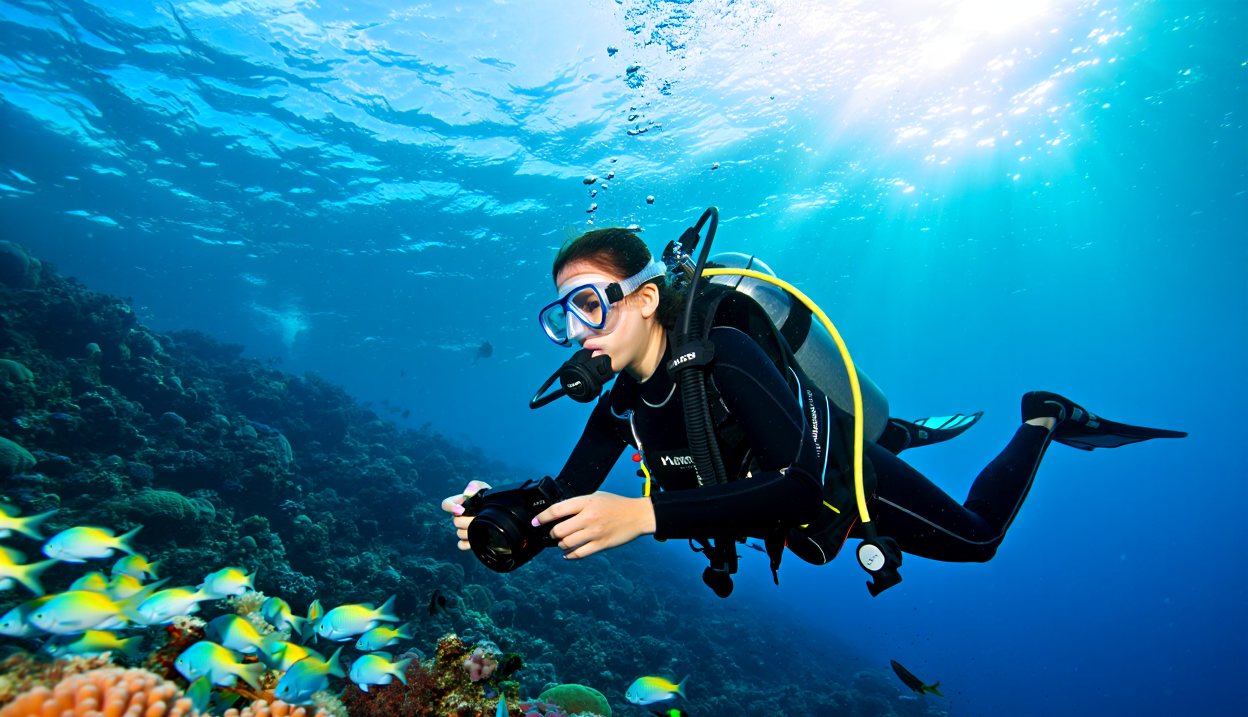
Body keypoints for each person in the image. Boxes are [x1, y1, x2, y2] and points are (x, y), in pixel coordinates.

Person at [442, 227, 1185, 589]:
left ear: (642, 299)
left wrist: (643, 516)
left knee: (978, 542)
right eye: (561, 315)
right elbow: (570, 493)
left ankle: (1042, 417)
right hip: (780, 472)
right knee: (881, 445)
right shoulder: (624, 399)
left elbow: (802, 485)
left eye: (587, 306)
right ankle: (896, 431)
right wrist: (504, 513)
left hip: (835, 470)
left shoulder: (722, 353)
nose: (574, 332)